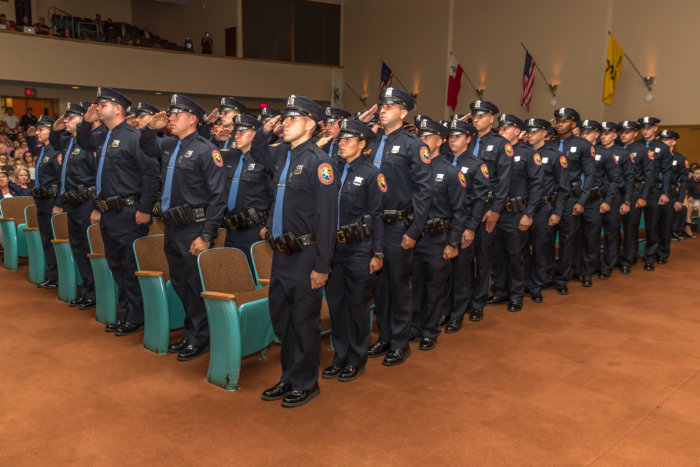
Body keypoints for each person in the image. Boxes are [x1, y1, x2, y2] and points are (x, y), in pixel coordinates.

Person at [251, 94, 337, 407]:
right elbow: (257, 152)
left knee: (304, 320)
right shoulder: (283, 156)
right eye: (284, 118)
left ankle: (306, 382)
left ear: (311, 124)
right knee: (283, 318)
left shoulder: (319, 162)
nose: (285, 124)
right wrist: (266, 130)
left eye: (292, 119)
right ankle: (288, 377)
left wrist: (323, 266)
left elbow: (327, 218)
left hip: (306, 256)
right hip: (281, 254)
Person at [141, 94, 226, 361]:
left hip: (193, 227)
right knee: (179, 283)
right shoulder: (169, 146)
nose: (171, 119)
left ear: (192, 119)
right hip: (172, 228)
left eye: (177, 115)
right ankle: (193, 331)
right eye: (171, 115)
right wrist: (149, 128)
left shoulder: (205, 150)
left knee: (194, 283)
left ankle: (202, 336)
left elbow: (218, 197)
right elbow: (146, 146)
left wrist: (206, 235)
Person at [78, 87, 160, 335]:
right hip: (110, 213)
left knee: (129, 266)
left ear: (118, 109)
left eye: (102, 105)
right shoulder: (105, 136)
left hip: (129, 212)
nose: (97, 108)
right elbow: (83, 142)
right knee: (117, 266)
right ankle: (126, 313)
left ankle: (135, 316)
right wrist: (85, 123)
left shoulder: (133, 137)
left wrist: (145, 208)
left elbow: (152, 175)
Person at [366, 87, 432, 366]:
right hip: (374, 226)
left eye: (390, 106)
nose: (383, 109)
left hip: (397, 226)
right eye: (382, 105)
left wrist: (414, 230)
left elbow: (424, 191)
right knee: (379, 286)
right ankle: (384, 337)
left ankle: (400, 342)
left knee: (399, 285)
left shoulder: (413, 145)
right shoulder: (371, 141)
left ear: (404, 112)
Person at [322, 118, 384, 381]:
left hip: (359, 249)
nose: (342, 143)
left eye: (348, 140)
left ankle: (356, 359)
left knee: (357, 305)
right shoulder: (332, 169)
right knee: (336, 305)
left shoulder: (372, 174)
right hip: (333, 249)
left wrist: (377, 253)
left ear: (362, 144)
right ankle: (340, 355)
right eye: (341, 139)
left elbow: (377, 216)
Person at [410, 118, 466, 349]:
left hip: (437, 237)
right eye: (420, 137)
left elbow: (460, 211)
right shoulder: (412, 168)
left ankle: (430, 330)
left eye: (428, 137)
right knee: (415, 284)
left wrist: (453, 242)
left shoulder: (451, 172)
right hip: (414, 237)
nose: (423, 141)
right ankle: (414, 326)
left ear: (441, 141)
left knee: (434, 286)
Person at [488, 114, 543, 311]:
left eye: (505, 129)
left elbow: (537, 185)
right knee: (498, 254)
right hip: (497, 212)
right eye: (500, 129)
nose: (501, 132)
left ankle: (517, 293)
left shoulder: (528, 153)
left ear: (517, 131)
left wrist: (529, 213)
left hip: (517, 212)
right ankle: (501, 291)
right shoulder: (495, 151)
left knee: (516, 254)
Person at [465, 100, 513, 321]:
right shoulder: (465, 140)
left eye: (481, 116)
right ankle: (463, 299)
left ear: (491, 118)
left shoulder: (501, 144)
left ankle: (478, 302)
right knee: (463, 258)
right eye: (474, 116)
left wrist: (496, 210)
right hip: (464, 208)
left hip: (485, 209)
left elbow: (504, 181)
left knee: (483, 257)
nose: (476, 119)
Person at [50, 103, 98, 310]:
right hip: (73, 203)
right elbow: (53, 144)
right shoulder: (69, 142)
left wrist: (97, 206)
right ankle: (87, 290)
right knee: (78, 249)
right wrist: (56, 129)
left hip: (87, 202)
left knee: (89, 249)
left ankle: (95, 292)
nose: (66, 121)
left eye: (71, 118)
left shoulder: (90, 143)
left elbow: (100, 177)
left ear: (83, 119)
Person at [442, 119, 489, 331]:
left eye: (458, 137)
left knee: (461, 271)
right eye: (451, 137)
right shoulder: (443, 161)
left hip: (464, 225)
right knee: (444, 271)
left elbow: (479, 201)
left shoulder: (477, 165)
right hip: (443, 224)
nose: (453, 140)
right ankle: (444, 310)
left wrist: (470, 228)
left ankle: (457, 315)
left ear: (468, 139)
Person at [523, 118, 569, 302]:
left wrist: (557, 212)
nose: (530, 135)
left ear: (544, 133)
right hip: (522, 207)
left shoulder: (555, 155)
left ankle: (536, 285)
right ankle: (524, 282)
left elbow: (563, 187)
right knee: (521, 248)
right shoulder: (521, 153)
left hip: (544, 208)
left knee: (541, 249)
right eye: (528, 132)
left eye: (534, 132)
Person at [218, 113, 273, 268]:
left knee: (253, 277)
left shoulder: (265, 160)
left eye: (243, 132)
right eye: (236, 131)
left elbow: (275, 195)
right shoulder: (230, 157)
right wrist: (215, 139)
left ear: (256, 135)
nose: (237, 135)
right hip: (230, 229)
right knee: (233, 275)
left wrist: (269, 225)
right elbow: (208, 155)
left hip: (254, 229)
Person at [551, 108, 595, 294]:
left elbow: (590, 174)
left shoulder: (583, 145)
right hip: (550, 199)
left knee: (568, 241)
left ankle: (563, 278)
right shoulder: (549, 144)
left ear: (574, 123)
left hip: (571, 198)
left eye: (564, 121)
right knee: (546, 239)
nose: (560, 124)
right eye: (558, 120)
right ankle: (546, 275)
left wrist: (582, 201)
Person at [577, 120, 621, 286]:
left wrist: (608, 200)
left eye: (587, 133)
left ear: (596, 134)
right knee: (575, 237)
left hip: (594, 201)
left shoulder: (604, 153)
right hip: (575, 199)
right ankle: (575, 268)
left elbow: (615, 179)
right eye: (582, 132)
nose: (584, 136)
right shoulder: (574, 152)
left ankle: (588, 271)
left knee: (592, 238)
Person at [27, 116, 62, 290]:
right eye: (37, 130)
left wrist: (58, 204)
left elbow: (62, 179)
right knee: (46, 241)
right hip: (42, 202)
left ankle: (58, 276)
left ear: (51, 131)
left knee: (54, 241)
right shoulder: (43, 151)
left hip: (51, 202)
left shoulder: (55, 151)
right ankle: (52, 276)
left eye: (41, 130)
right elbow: (33, 147)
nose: (38, 133)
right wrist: (31, 136)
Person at [618, 120, 655, 274]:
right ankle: (628, 256)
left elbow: (650, 175)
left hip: (635, 192)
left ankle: (627, 260)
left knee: (631, 227)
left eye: (627, 132)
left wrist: (643, 196)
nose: (623, 135)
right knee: (621, 227)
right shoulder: (615, 149)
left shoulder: (642, 150)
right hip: (618, 192)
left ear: (635, 133)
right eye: (622, 132)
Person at [637, 117, 673, 271]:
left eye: (648, 128)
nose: (645, 131)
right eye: (643, 128)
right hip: (636, 190)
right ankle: (630, 255)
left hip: (653, 191)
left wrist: (665, 192)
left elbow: (666, 172)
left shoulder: (662, 148)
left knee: (652, 226)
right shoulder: (635, 146)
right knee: (631, 225)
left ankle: (650, 257)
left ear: (655, 129)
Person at [598, 122, 632, 279]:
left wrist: (626, 201)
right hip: (596, 196)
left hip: (615, 196)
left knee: (612, 233)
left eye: (607, 134)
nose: (603, 137)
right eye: (601, 134)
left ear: (614, 135)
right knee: (593, 233)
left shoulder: (622, 153)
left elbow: (628, 178)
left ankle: (608, 265)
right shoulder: (593, 151)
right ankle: (595, 264)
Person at [657, 129, 687, 260]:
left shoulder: (679, 158)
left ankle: (663, 254)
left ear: (673, 142)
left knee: (666, 226)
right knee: (653, 226)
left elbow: (684, 181)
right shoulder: (654, 156)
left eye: (666, 139)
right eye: (661, 140)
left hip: (671, 195)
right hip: (655, 193)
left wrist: (680, 200)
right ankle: (652, 252)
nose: (663, 142)